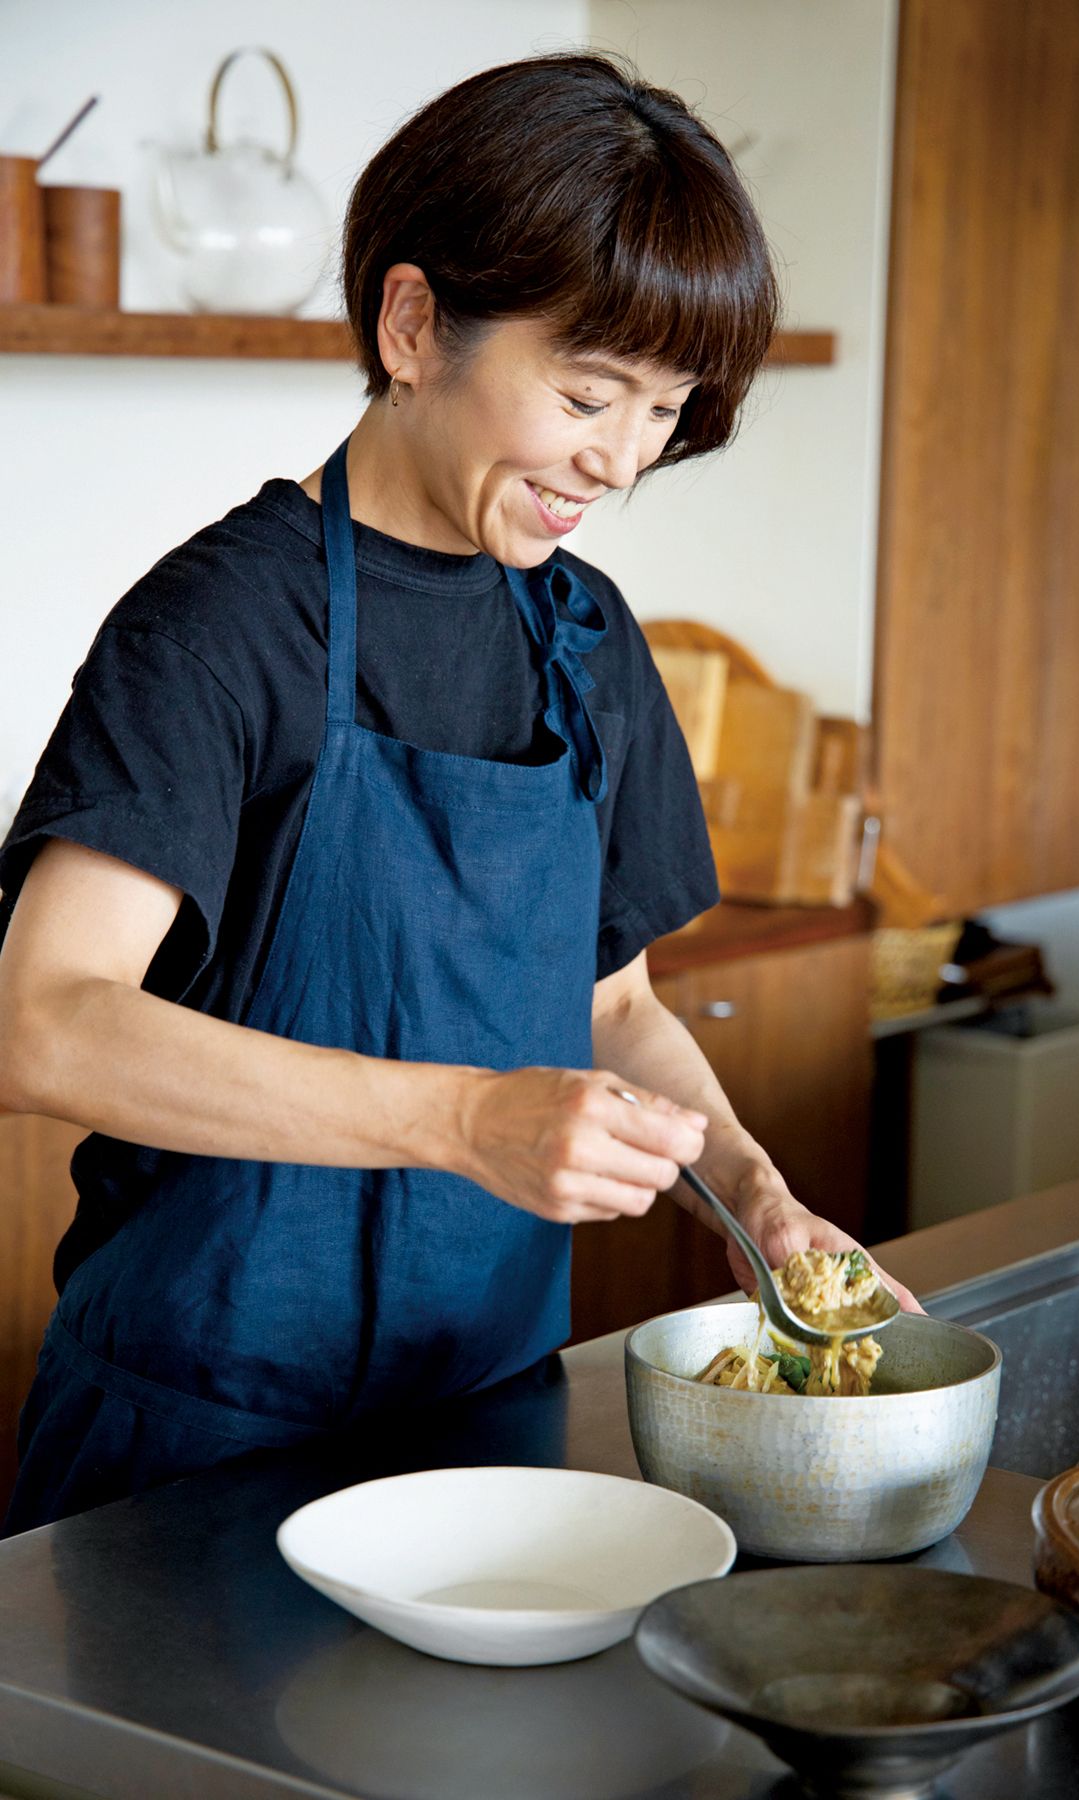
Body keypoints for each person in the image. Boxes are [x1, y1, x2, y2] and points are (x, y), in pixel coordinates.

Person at [0, 52, 919, 1535]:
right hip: (195, 1445)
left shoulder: (587, 640)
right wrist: (465, 1120)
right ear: (415, 322)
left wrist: (757, 1206)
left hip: (487, 1430)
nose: (619, 461)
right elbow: (41, 1020)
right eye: (587, 392)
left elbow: (613, 1008)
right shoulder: (225, 626)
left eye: (666, 409)